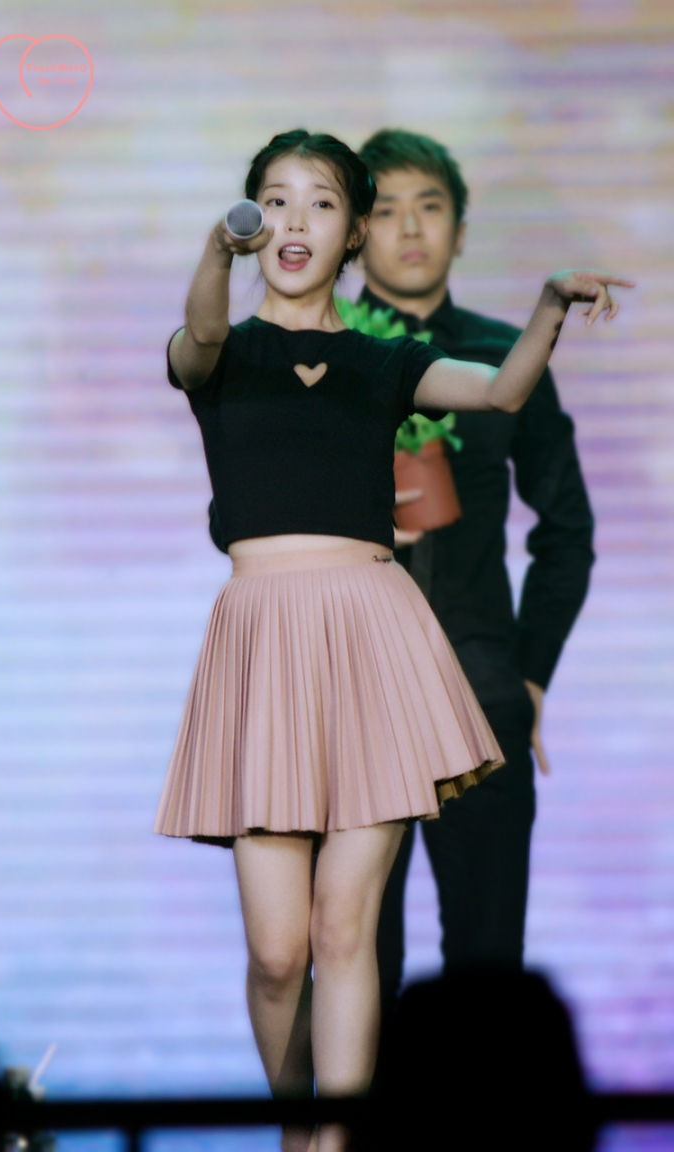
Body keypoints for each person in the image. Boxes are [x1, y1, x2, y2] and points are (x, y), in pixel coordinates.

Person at [154, 127, 630, 1152]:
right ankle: (298, 1128)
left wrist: (550, 307)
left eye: (322, 202)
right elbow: (198, 333)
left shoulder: (385, 362)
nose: (296, 220)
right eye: (277, 199)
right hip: (264, 643)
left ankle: (333, 1145)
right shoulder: (221, 354)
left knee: (345, 928)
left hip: (373, 638)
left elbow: (500, 390)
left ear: (353, 232)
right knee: (277, 953)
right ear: (252, 218)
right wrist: (216, 250)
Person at [350, 129, 601, 1005]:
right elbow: (235, 517)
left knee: (488, 974)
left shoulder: (506, 355)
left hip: (480, 687)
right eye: (386, 209)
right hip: (349, 692)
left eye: (430, 207)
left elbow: (567, 529)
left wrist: (528, 675)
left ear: (460, 231)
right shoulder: (319, 351)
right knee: (350, 963)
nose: (410, 228)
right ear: (355, 233)